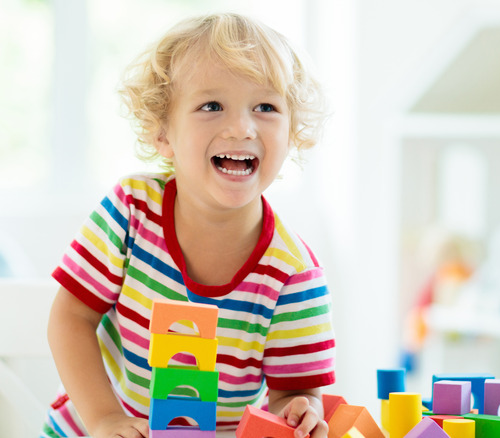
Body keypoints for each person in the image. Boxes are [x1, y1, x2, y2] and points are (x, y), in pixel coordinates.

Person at [42, 12, 336, 438]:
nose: (241, 126)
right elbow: (70, 318)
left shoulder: (294, 274)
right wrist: (104, 419)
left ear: (292, 133)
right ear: (163, 132)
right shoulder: (131, 211)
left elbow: (295, 391)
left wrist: (302, 411)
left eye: (266, 107)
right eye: (211, 106)